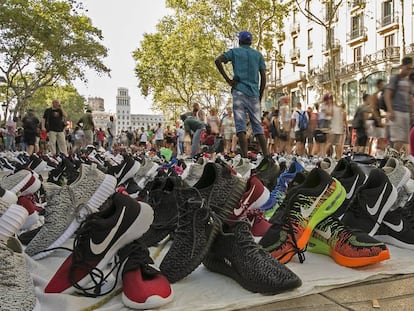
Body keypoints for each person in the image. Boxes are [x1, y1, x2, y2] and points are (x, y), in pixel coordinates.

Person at [215, 30, 268, 158]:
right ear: (251, 42)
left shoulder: (234, 52)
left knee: (240, 127)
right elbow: (263, 78)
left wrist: (228, 80)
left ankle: (244, 158)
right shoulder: (258, 55)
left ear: (239, 41)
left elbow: (218, 60)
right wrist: (259, 96)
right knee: (257, 126)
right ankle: (267, 156)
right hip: (254, 94)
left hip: (239, 92)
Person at [384, 56, 414, 152]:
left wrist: (412, 112)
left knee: (406, 140)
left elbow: (410, 98)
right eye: (407, 68)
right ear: (402, 66)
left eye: (411, 69)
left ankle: (403, 160)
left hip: (406, 113)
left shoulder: (409, 82)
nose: (409, 71)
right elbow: (387, 94)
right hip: (396, 112)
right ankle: (394, 159)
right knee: (398, 139)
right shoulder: (395, 78)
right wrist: (390, 110)